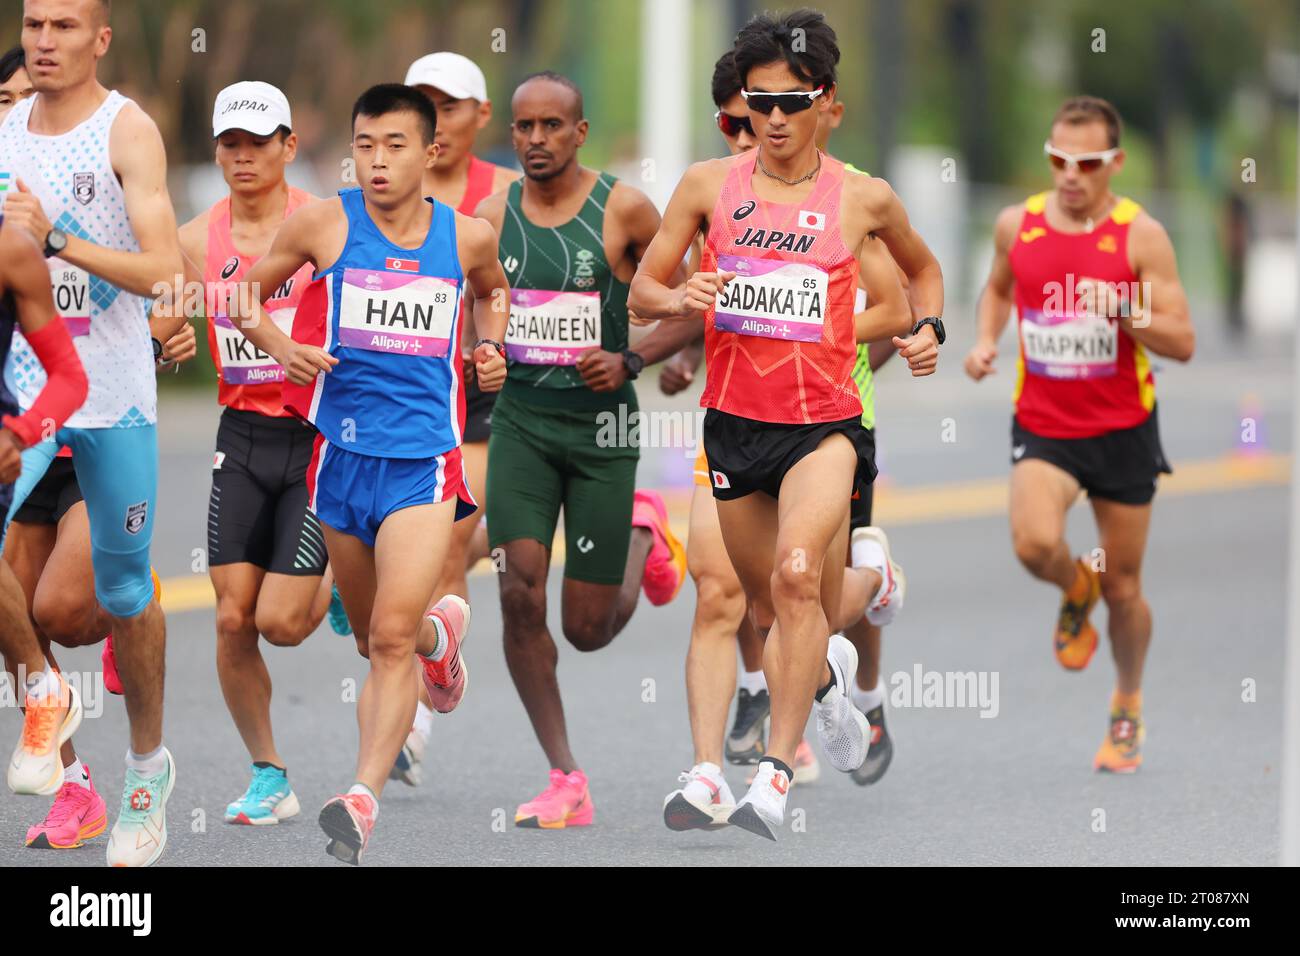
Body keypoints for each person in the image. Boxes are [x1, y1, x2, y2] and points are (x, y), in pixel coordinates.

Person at [629, 9, 944, 840]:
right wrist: (680, 297)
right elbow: (644, 292)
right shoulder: (706, 187)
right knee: (768, 606)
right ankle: (848, 644)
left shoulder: (861, 197)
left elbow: (922, 275)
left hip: (827, 424)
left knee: (799, 579)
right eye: (759, 104)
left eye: (791, 102)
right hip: (735, 423)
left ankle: (771, 774)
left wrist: (928, 331)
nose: (772, 119)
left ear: (828, 105)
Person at [231, 83, 509, 863]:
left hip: (424, 461)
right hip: (339, 461)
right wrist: (281, 348)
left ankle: (359, 799)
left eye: (394, 146)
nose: (378, 161)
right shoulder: (323, 222)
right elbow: (238, 295)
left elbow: (494, 296)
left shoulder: (468, 237)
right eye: (365, 146)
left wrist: (491, 348)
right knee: (377, 639)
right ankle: (439, 638)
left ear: (431, 151)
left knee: (385, 639)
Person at [472, 70, 688, 829]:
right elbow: (477, 299)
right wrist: (484, 349)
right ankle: (564, 773)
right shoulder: (491, 214)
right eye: (523, 127)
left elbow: (693, 305)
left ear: (579, 132)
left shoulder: (623, 208)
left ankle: (644, 532)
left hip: (604, 430)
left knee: (587, 630)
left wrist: (631, 358)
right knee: (516, 589)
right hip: (524, 424)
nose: (534, 140)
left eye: (550, 127)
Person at [0, 0, 186, 866]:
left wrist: (60, 238)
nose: (44, 40)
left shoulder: (128, 130)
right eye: (34, 24)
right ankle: (60, 741)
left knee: (107, 604)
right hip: (20, 395)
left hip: (112, 403)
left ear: (99, 39)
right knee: (18, 604)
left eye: (64, 26)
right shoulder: (3, 131)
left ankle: (147, 771)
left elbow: (165, 274)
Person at [965, 95, 1193, 773]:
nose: (1070, 174)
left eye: (1086, 162)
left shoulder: (1140, 235)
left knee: (1124, 587)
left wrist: (1127, 308)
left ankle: (1126, 704)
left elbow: (1182, 340)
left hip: (1123, 429)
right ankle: (1073, 586)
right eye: (1058, 159)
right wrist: (983, 339)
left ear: (1114, 163)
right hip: (1046, 426)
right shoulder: (1018, 223)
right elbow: (1001, 288)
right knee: (1035, 542)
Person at [173, 81, 338, 825]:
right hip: (238, 438)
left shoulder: (326, 225)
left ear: (288, 147)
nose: (242, 156)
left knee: (281, 622)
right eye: (230, 143)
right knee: (233, 618)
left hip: (315, 438)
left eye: (258, 142)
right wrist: (167, 336)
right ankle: (269, 772)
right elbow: (160, 312)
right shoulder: (192, 238)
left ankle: (338, 573)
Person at [392, 52, 522, 786]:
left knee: (447, 545)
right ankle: (434, 644)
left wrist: (495, 343)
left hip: (487, 391)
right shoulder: (377, 190)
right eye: (423, 102)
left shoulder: (506, 192)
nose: (436, 118)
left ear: (480, 114)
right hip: (398, 392)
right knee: (435, 552)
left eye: (450, 103)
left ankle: (411, 718)